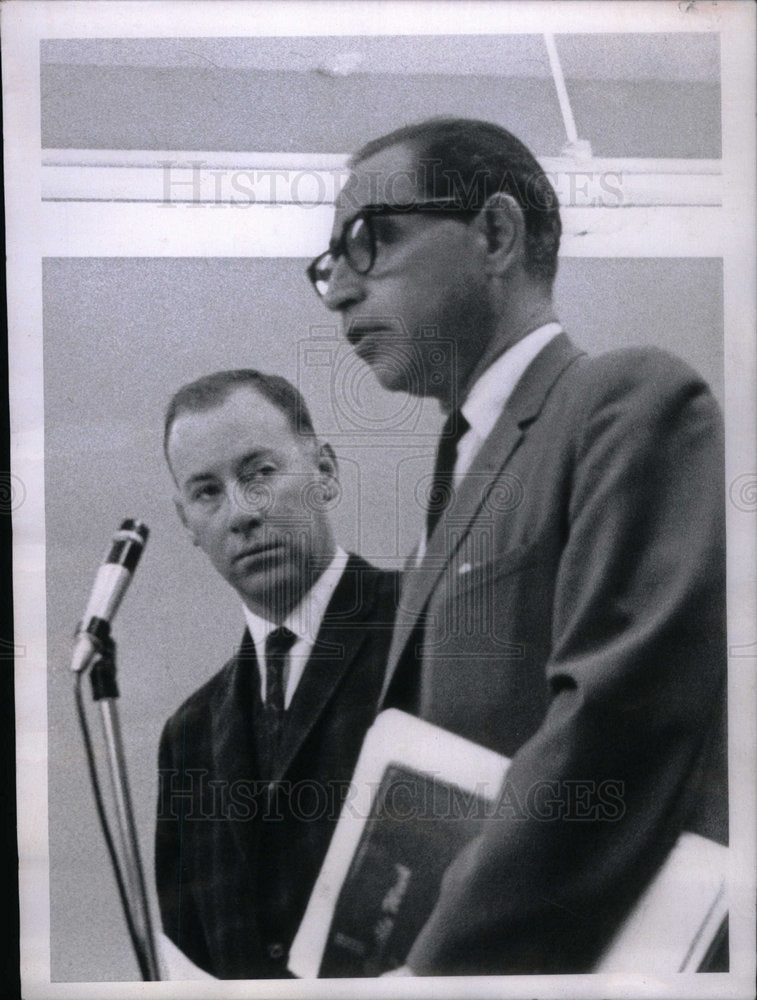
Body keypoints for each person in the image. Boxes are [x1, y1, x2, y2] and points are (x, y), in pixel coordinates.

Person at [307, 117, 727, 975]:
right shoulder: (456, 471)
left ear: (495, 234)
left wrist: (435, 972)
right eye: (326, 267)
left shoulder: (626, 400)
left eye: (367, 241)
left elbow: (618, 724)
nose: (340, 292)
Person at [155, 369, 398, 979]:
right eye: (206, 492)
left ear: (325, 472)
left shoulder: (426, 628)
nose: (240, 513)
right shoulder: (186, 737)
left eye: (260, 473)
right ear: (185, 520)